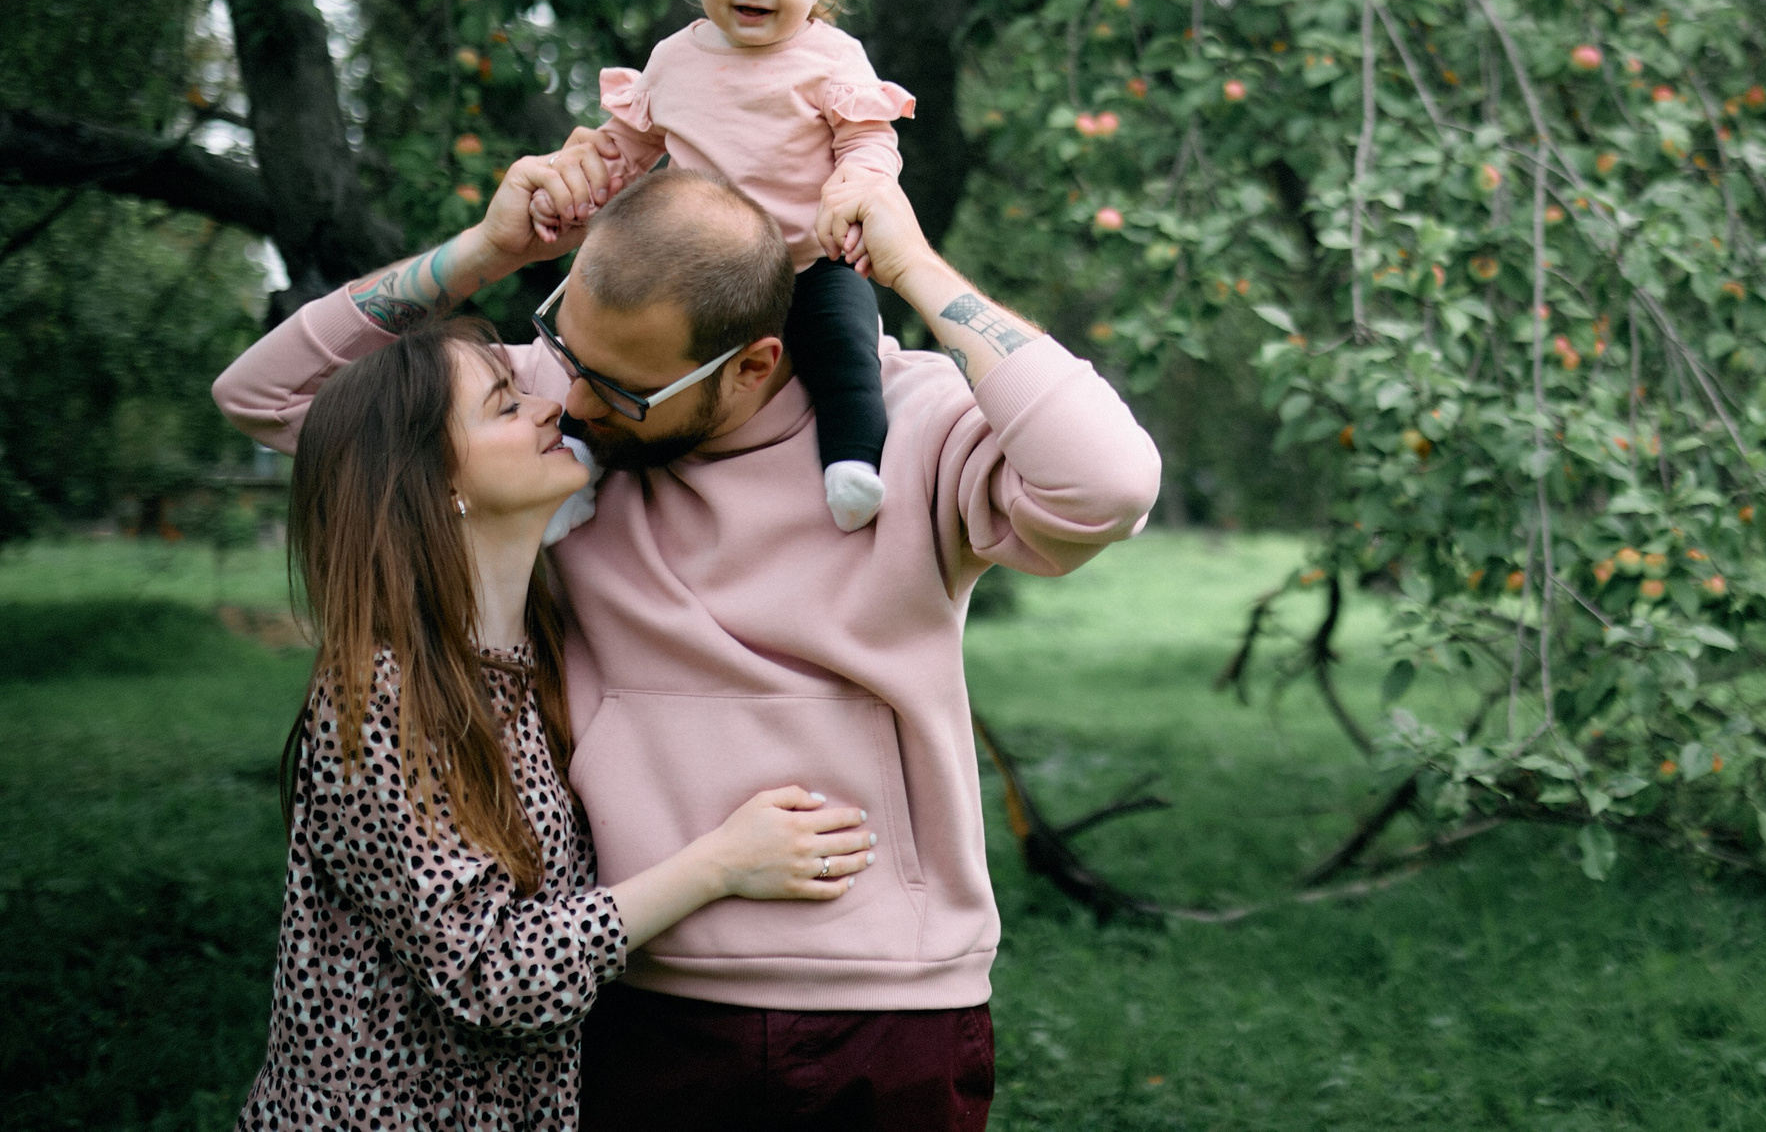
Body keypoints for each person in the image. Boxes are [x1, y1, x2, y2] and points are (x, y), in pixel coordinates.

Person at [214, 144, 1161, 1132]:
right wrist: (485, 252)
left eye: (615, 390)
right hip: (630, 992)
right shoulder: (558, 409)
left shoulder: (912, 423)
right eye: (561, 356)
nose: (571, 403)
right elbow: (265, 399)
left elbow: (1108, 484)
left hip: (885, 1003)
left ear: (752, 362)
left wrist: (917, 270)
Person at [234, 313, 878, 1130]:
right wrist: (721, 863)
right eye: (505, 406)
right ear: (436, 482)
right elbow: (491, 974)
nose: (549, 410)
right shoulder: (381, 699)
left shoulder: (534, 653)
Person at [535, 0, 915, 532]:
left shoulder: (832, 60)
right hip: (697, 263)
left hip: (808, 259)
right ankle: (577, 464)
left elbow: (869, 139)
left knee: (846, 347)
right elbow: (628, 145)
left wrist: (855, 188)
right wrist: (581, 179)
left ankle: (851, 460)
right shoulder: (673, 60)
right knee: (615, 357)